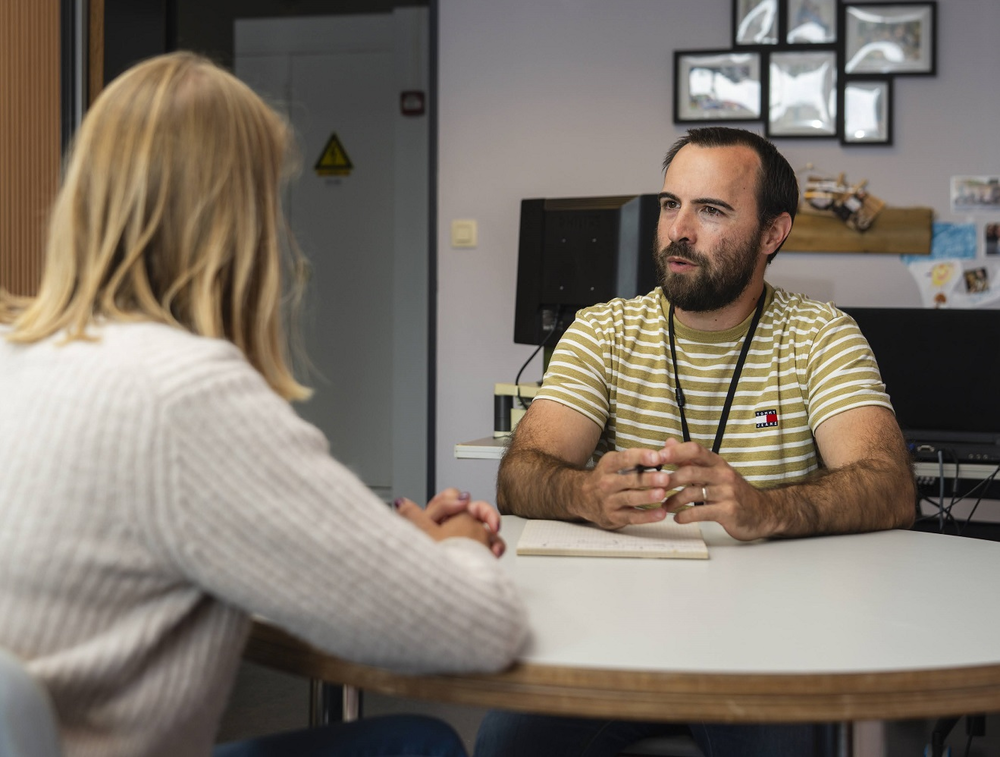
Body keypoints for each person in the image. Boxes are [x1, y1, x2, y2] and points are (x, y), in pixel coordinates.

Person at [0, 52, 528, 757]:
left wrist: (383, 544)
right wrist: (458, 548)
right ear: (239, 224)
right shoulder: (184, 394)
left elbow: (147, 533)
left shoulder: (19, 350)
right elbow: (480, 626)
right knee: (418, 743)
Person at [476, 126, 915, 757]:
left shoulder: (822, 336)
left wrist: (771, 509)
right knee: (504, 743)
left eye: (710, 210)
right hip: (616, 636)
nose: (679, 229)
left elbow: (891, 486)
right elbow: (519, 474)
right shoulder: (603, 330)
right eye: (669, 204)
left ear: (773, 233)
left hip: (771, 644)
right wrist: (582, 492)